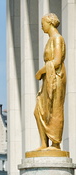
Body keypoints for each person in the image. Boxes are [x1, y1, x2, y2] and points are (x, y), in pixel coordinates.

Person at [34, 13, 66, 150]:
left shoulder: (58, 39)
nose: (42, 27)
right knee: (39, 111)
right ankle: (43, 143)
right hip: (48, 77)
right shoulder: (50, 40)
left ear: (50, 23)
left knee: (55, 109)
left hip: (56, 77)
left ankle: (55, 143)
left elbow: (57, 61)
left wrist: (40, 72)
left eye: (43, 23)